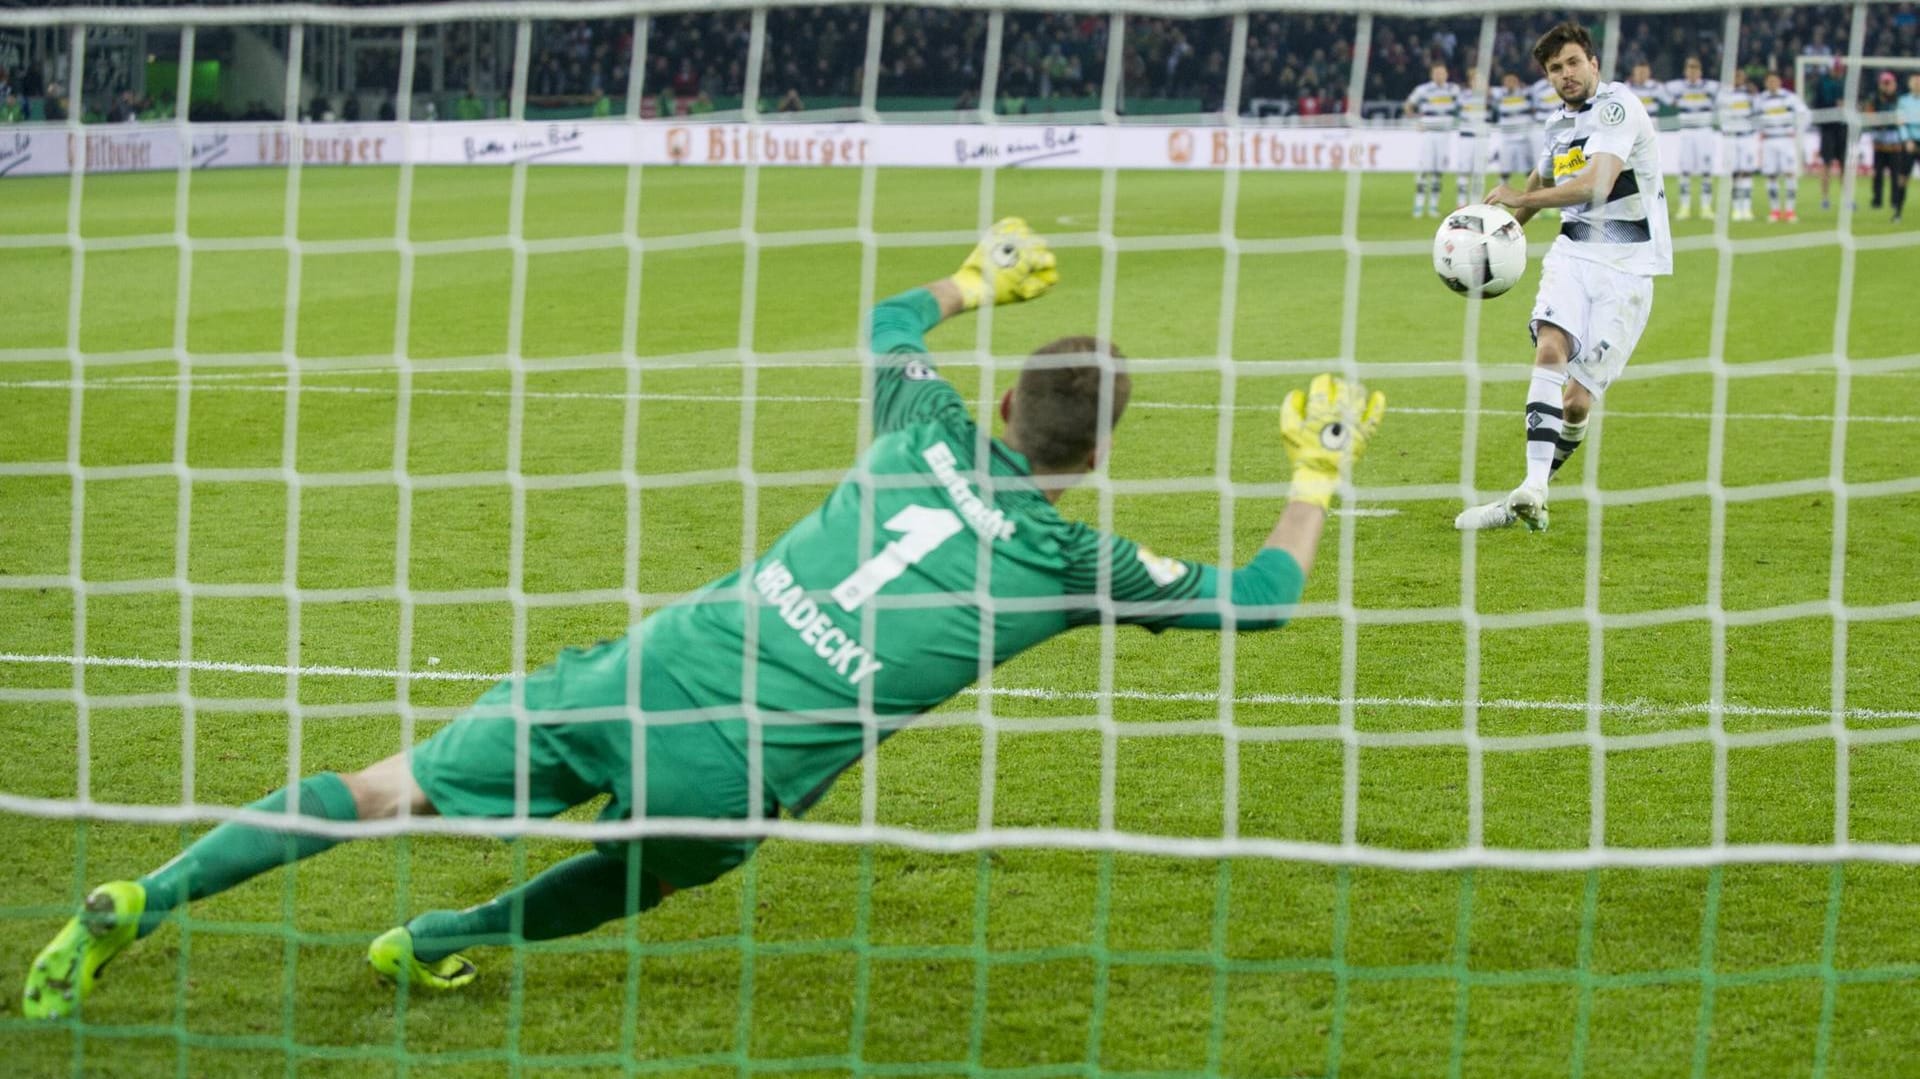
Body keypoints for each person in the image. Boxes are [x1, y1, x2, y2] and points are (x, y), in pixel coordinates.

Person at [22, 220, 1386, 1019]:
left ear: (1011, 406)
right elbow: (1265, 599)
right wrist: (1312, 477)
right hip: (744, 762)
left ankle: (144, 894)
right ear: (1087, 460)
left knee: (383, 787)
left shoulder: (918, 421)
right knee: (654, 870)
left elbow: (889, 314)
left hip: (658, 661)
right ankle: (450, 936)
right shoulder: (1074, 558)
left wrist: (976, 276)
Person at [1459, 21, 1672, 532]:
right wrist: (1489, 241)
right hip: (1573, 255)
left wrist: (1522, 199)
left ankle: (1528, 496)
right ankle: (1531, 487)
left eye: (1573, 63)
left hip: (1628, 268)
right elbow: (1544, 177)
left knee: (1576, 404)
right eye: (1555, 69)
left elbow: (1597, 182)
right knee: (1549, 346)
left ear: (1594, 63)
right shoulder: (1558, 123)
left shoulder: (1620, 107)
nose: (1566, 74)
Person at [1667, 57, 1720, 220]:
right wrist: (1672, 102)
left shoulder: (1711, 87)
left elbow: (1726, 92)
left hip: (1704, 132)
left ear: (1700, 71)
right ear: (1685, 70)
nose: (1692, 71)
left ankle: (1706, 207)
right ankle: (1685, 207)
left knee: (1706, 171)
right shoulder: (1676, 87)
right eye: (1690, 68)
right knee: (1685, 171)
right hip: (1686, 132)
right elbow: (1661, 92)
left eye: (1695, 68)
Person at [1406, 62, 1461, 218]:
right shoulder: (1423, 90)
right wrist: (1415, 122)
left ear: (1446, 74)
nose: (1439, 76)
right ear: (1432, 75)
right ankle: (1418, 205)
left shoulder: (1453, 90)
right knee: (1424, 171)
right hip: (1428, 134)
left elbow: (1462, 107)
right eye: (1436, 73)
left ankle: (1433, 207)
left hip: (1445, 135)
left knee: (1438, 172)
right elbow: (1409, 105)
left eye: (1442, 73)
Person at [1754, 70, 1810, 222]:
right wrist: (1759, 131)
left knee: (1789, 173)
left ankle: (1790, 211)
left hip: (1786, 140)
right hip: (1768, 141)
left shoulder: (1790, 98)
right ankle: (1775, 211)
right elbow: (1754, 119)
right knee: (1771, 175)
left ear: (1779, 82)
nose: (1772, 83)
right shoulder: (1760, 100)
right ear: (1766, 83)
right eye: (1769, 81)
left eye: (1775, 80)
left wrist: (1798, 131)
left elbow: (1805, 115)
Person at [1717, 70, 1761, 221]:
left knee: (1746, 171)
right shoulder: (1723, 95)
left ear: (1744, 78)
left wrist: (1755, 95)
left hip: (1746, 137)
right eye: (1734, 76)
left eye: (1740, 76)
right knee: (1734, 173)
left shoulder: (1750, 94)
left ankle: (1746, 209)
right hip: (1731, 138)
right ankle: (1736, 209)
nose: (1737, 79)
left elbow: (1758, 111)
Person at [1809, 60, 1850, 210]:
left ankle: (1847, 199)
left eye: (1840, 69)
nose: (1838, 71)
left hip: (1842, 127)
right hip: (1827, 128)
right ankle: (1825, 198)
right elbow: (1817, 105)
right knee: (1826, 164)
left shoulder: (1846, 83)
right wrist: (1834, 104)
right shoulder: (1822, 84)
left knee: (1845, 164)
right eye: (1836, 69)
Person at [1866, 71, 1907, 220]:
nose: (1886, 86)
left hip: (1895, 144)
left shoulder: (1900, 100)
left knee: (1896, 174)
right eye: (1884, 83)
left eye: (1889, 83)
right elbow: (1870, 118)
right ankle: (1877, 200)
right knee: (1877, 174)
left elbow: (1902, 119)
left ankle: (1895, 201)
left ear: (1894, 84)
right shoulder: (1874, 99)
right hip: (1879, 144)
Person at [1453, 68, 1493, 209]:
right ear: (1470, 81)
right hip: (1466, 137)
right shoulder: (1462, 96)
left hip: (1482, 139)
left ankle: (1476, 203)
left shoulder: (1489, 96)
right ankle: (1461, 203)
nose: (1477, 82)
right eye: (1474, 79)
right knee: (1464, 170)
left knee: (1479, 171)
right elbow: (1454, 112)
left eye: (1480, 79)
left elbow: (1496, 113)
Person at [1494, 71, 1536, 187]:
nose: (1510, 83)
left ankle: (1532, 196)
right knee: (1504, 171)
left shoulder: (1527, 93)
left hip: (1524, 138)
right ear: (1503, 83)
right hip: (1506, 139)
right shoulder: (1499, 95)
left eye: (1512, 81)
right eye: (1507, 81)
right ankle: (1501, 198)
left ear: (1517, 82)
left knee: (1529, 170)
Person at [1901, 73, 1920, 224]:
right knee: (1903, 177)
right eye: (1915, 81)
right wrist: (1907, 139)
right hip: (1909, 142)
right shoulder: (1903, 101)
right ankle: (1898, 211)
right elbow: (1900, 122)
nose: (1917, 84)